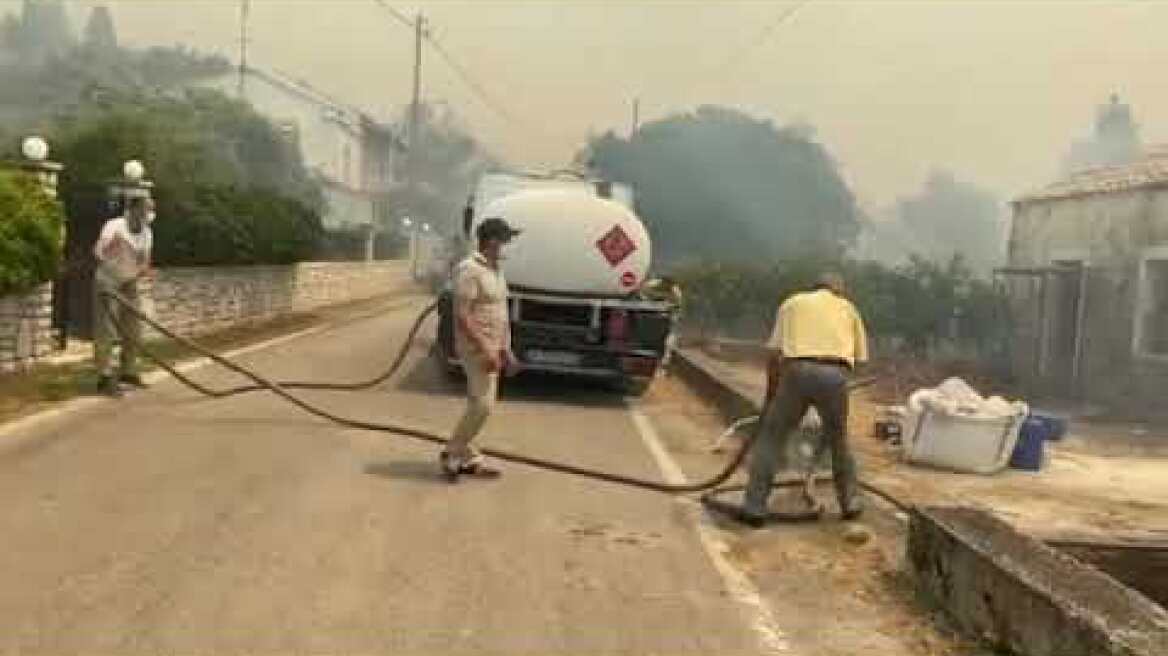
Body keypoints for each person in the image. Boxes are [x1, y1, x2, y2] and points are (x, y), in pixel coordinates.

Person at [739, 272, 869, 526]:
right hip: (835, 374)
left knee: (772, 437)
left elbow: (774, 353)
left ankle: (754, 507)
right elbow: (860, 359)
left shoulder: (793, 303)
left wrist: (771, 393)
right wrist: (837, 388)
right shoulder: (848, 308)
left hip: (796, 370)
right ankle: (851, 502)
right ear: (838, 290)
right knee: (838, 440)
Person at [440, 217, 522, 482]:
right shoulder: (469, 269)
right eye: (505, 240)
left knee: (480, 404)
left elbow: (501, 314)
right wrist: (486, 348)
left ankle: (466, 457)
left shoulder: (495, 272)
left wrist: (506, 349)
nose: (508, 246)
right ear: (493, 241)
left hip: (492, 347)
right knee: (483, 406)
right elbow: (463, 315)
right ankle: (453, 452)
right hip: (475, 348)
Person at [92, 194, 154, 397]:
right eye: (146, 209)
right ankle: (105, 376)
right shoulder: (114, 226)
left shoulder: (147, 233)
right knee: (106, 329)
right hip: (107, 282)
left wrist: (142, 269)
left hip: (129, 282)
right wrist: (107, 256)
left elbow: (144, 260)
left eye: (150, 210)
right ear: (134, 210)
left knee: (134, 327)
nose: (149, 214)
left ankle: (128, 370)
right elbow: (98, 251)